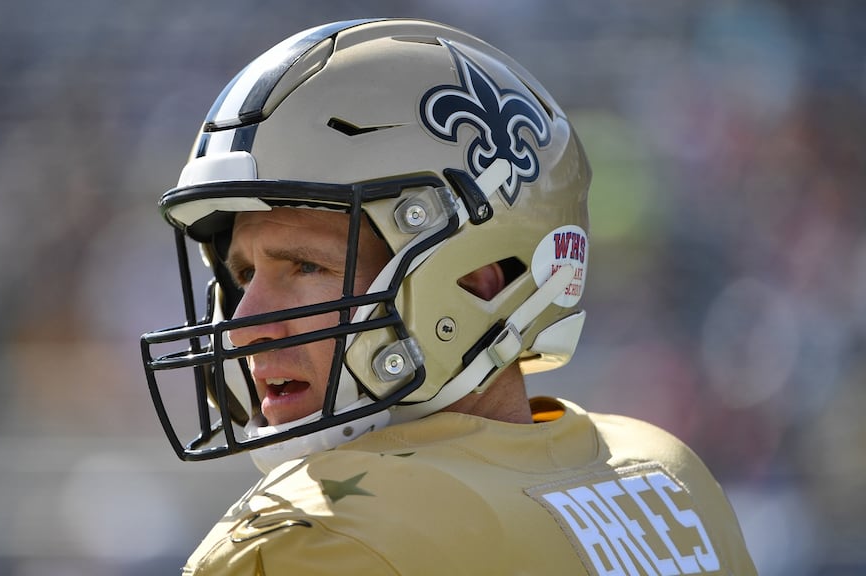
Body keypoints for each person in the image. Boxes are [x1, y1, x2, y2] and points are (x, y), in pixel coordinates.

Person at [140, 18, 757, 575]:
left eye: (305, 265)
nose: (244, 326)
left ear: (481, 276)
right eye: (244, 275)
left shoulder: (320, 540)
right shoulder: (670, 478)